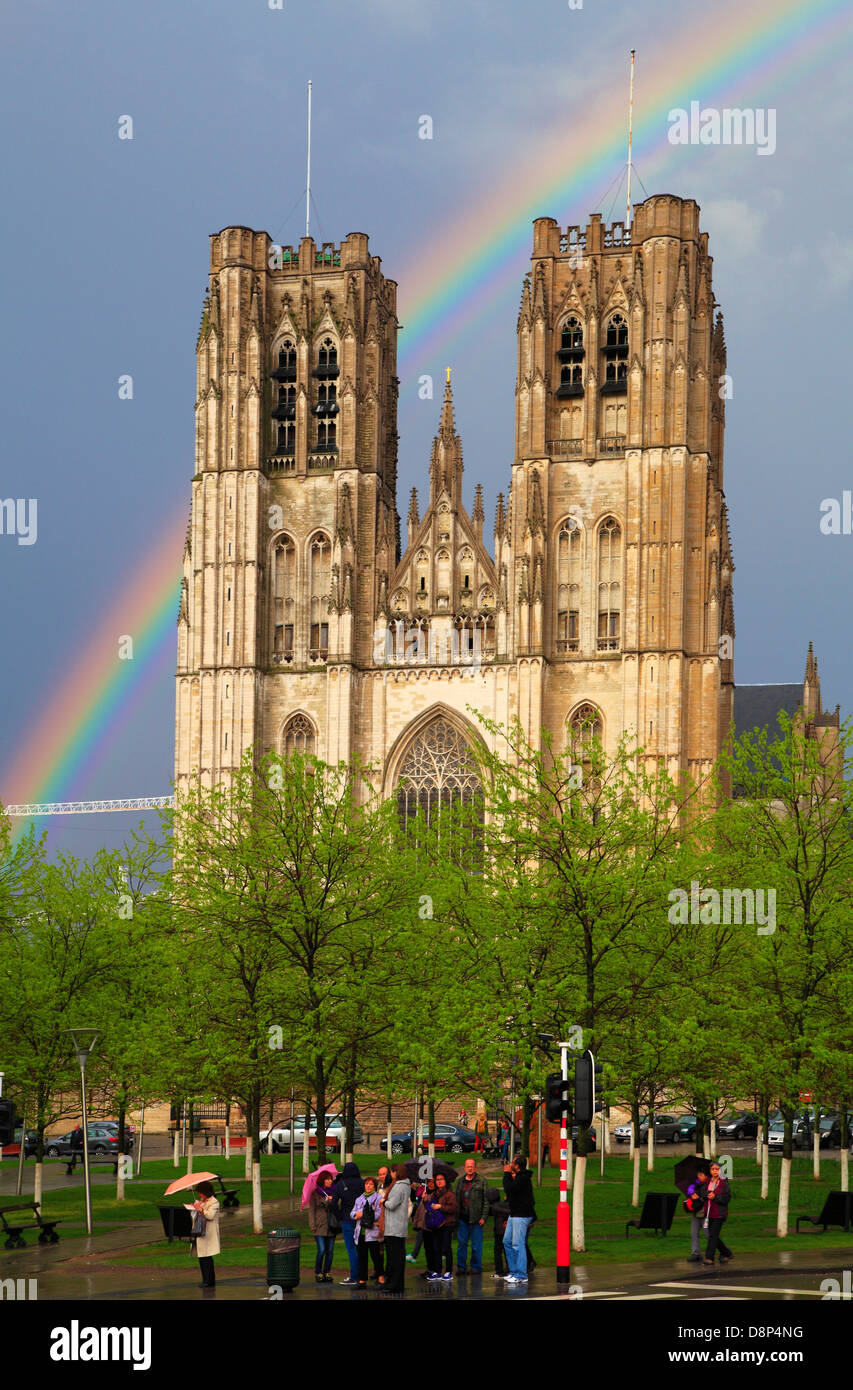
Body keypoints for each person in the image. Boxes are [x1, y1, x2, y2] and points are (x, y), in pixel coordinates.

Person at [502, 1154, 535, 1285]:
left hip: (521, 1215)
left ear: (516, 1166)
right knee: (507, 1241)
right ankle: (514, 1271)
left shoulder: (523, 1178)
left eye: (512, 1163)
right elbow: (512, 1192)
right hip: (514, 1213)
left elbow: (509, 1189)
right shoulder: (520, 1178)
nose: (510, 1165)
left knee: (517, 1243)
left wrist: (506, 1174)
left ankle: (521, 1274)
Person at [380, 1163, 411, 1293]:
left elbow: (392, 1205)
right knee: (396, 1258)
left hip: (394, 1227)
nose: (390, 1175)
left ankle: (394, 1285)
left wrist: (383, 1201)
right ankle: (395, 1284)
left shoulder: (398, 1187)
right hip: (399, 1227)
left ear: (395, 1172)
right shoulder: (406, 1185)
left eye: (391, 1172)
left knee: (394, 1258)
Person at [454, 1156, 488, 1274]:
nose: (470, 1169)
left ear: (475, 1167)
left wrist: (484, 1217)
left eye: (472, 1166)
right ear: (464, 1168)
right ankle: (461, 1267)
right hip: (463, 1219)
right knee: (462, 1244)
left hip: (477, 1219)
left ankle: (476, 1267)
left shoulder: (482, 1181)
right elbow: (456, 1199)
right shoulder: (460, 1182)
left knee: (476, 1246)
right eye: (468, 1166)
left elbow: (486, 1201)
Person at [333, 1161, 364, 1285]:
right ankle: (363, 1275)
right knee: (361, 1249)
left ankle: (354, 1276)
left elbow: (334, 1203)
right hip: (361, 1220)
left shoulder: (340, 1185)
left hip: (347, 1219)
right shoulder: (362, 1183)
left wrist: (339, 1216)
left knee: (351, 1249)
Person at [424, 1170, 457, 1280]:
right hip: (436, 1224)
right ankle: (437, 1271)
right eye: (437, 1180)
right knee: (436, 1248)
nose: (439, 1182)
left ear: (445, 1181)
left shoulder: (450, 1194)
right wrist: (425, 1200)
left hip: (447, 1224)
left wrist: (441, 1207)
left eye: (441, 1179)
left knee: (446, 1248)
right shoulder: (434, 1194)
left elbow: (453, 1208)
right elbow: (429, 1207)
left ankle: (448, 1271)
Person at [351, 1176, 383, 1286]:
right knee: (362, 1257)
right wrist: (356, 1215)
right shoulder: (359, 1198)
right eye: (366, 1184)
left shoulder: (378, 1198)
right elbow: (352, 1212)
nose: (368, 1186)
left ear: (374, 1186)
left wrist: (363, 1215)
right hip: (360, 1233)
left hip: (373, 1233)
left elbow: (379, 1214)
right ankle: (362, 1279)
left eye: (371, 1184)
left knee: (376, 1257)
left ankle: (380, 1277)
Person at [308, 1171, 338, 1282]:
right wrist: (312, 1225)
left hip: (331, 1225)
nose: (330, 1181)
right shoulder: (315, 1193)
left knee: (330, 1251)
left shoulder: (335, 1192)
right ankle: (318, 1272)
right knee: (321, 1249)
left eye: (331, 1179)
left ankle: (327, 1271)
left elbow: (338, 1206)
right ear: (322, 1180)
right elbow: (311, 1210)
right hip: (319, 1226)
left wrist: (333, 1200)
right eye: (327, 1179)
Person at [191, 1180, 221, 1289]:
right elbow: (197, 1215)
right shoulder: (203, 1201)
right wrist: (194, 1208)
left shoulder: (214, 1202)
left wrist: (200, 1209)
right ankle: (205, 1279)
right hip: (201, 1232)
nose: (200, 1195)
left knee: (207, 1257)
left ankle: (209, 1281)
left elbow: (210, 1216)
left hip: (209, 1233)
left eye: (201, 1193)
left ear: (206, 1192)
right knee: (202, 1257)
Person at [703, 1160, 733, 1265]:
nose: (715, 1171)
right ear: (710, 1171)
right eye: (713, 1169)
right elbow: (703, 1193)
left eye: (717, 1169)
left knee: (712, 1235)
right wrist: (707, 1194)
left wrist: (715, 1197)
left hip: (719, 1213)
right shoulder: (707, 1182)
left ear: (720, 1171)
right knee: (712, 1235)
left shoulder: (724, 1183)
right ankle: (726, 1252)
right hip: (709, 1213)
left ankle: (709, 1257)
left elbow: (726, 1198)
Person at [409, 1176, 435, 1268]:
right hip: (424, 1221)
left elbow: (432, 1206)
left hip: (432, 1223)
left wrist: (425, 1199)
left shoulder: (436, 1193)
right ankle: (429, 1268)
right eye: (429, 1182)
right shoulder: (425, 1191)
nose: (431, 1184)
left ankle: (433, 1268)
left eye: (433, 1182)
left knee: (432, 1247)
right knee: (427, 1247)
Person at [683, 1167, 708, 1263]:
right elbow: (689, 1194)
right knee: (693, 1233)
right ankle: (696, 1253)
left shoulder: (709, 1185)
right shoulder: (695, 1185)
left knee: (708, 1234)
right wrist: (691, 1194)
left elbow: (707, 1199)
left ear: (706, 1176)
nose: (699, 1177)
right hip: (696, 1213)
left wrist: (699, 1198)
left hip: (705, 1214)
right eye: (698, 1175)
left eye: (701, 1175)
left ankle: (722, 1250)